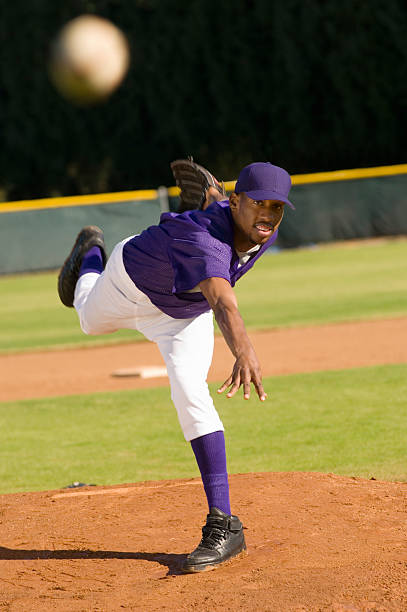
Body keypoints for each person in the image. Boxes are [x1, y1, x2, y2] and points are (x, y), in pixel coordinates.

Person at [57, 161, 295, 573]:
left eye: (277, 207)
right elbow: (223, 301)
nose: (268, 215)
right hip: (127, 283)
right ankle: (92, 250)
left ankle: (224, 524)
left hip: (183, 314)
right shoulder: (206, 241)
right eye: (259, 203)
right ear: (238, 201)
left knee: (189, 390)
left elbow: (225, 243)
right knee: (86, 319)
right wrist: (244, 349)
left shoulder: (261, 229)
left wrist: (216, 199)